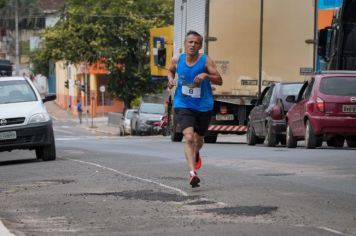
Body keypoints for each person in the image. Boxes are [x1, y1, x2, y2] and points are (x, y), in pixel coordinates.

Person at [167, 30, 223, 188]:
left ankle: (196, 152)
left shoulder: (206, 61)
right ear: (185, 44)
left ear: (200, 46)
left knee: (198, 140)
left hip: (203, 105)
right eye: (190, 42)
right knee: (189, 137)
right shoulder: (177, 59)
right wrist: (171, 79)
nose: (193, 45)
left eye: (196, 43)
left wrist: (206, 75)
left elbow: (219, 80)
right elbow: (170, 70)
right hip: (183, 103)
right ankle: (192, 173)